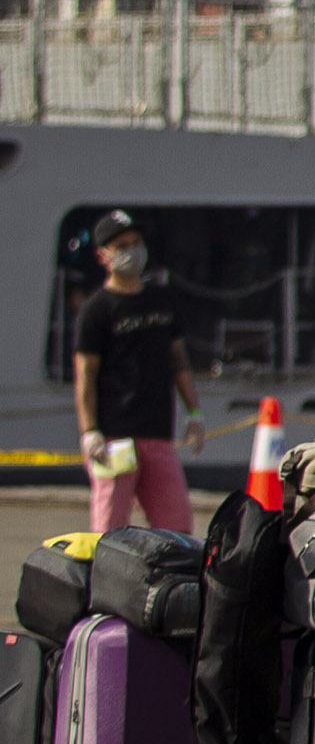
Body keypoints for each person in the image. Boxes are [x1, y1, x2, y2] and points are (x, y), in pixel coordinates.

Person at [70, 211, 193, 532]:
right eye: (121, 246)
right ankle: (104, 581)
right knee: (110, 527)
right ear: (102, 256)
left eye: (136, 243)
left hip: (157, 433)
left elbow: (178, 360)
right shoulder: (96, 309)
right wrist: (90, 431)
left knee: (176, 525)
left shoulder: (162, 299)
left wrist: (194, 411)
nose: (132, 252)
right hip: (115, 437)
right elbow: (85, 374)